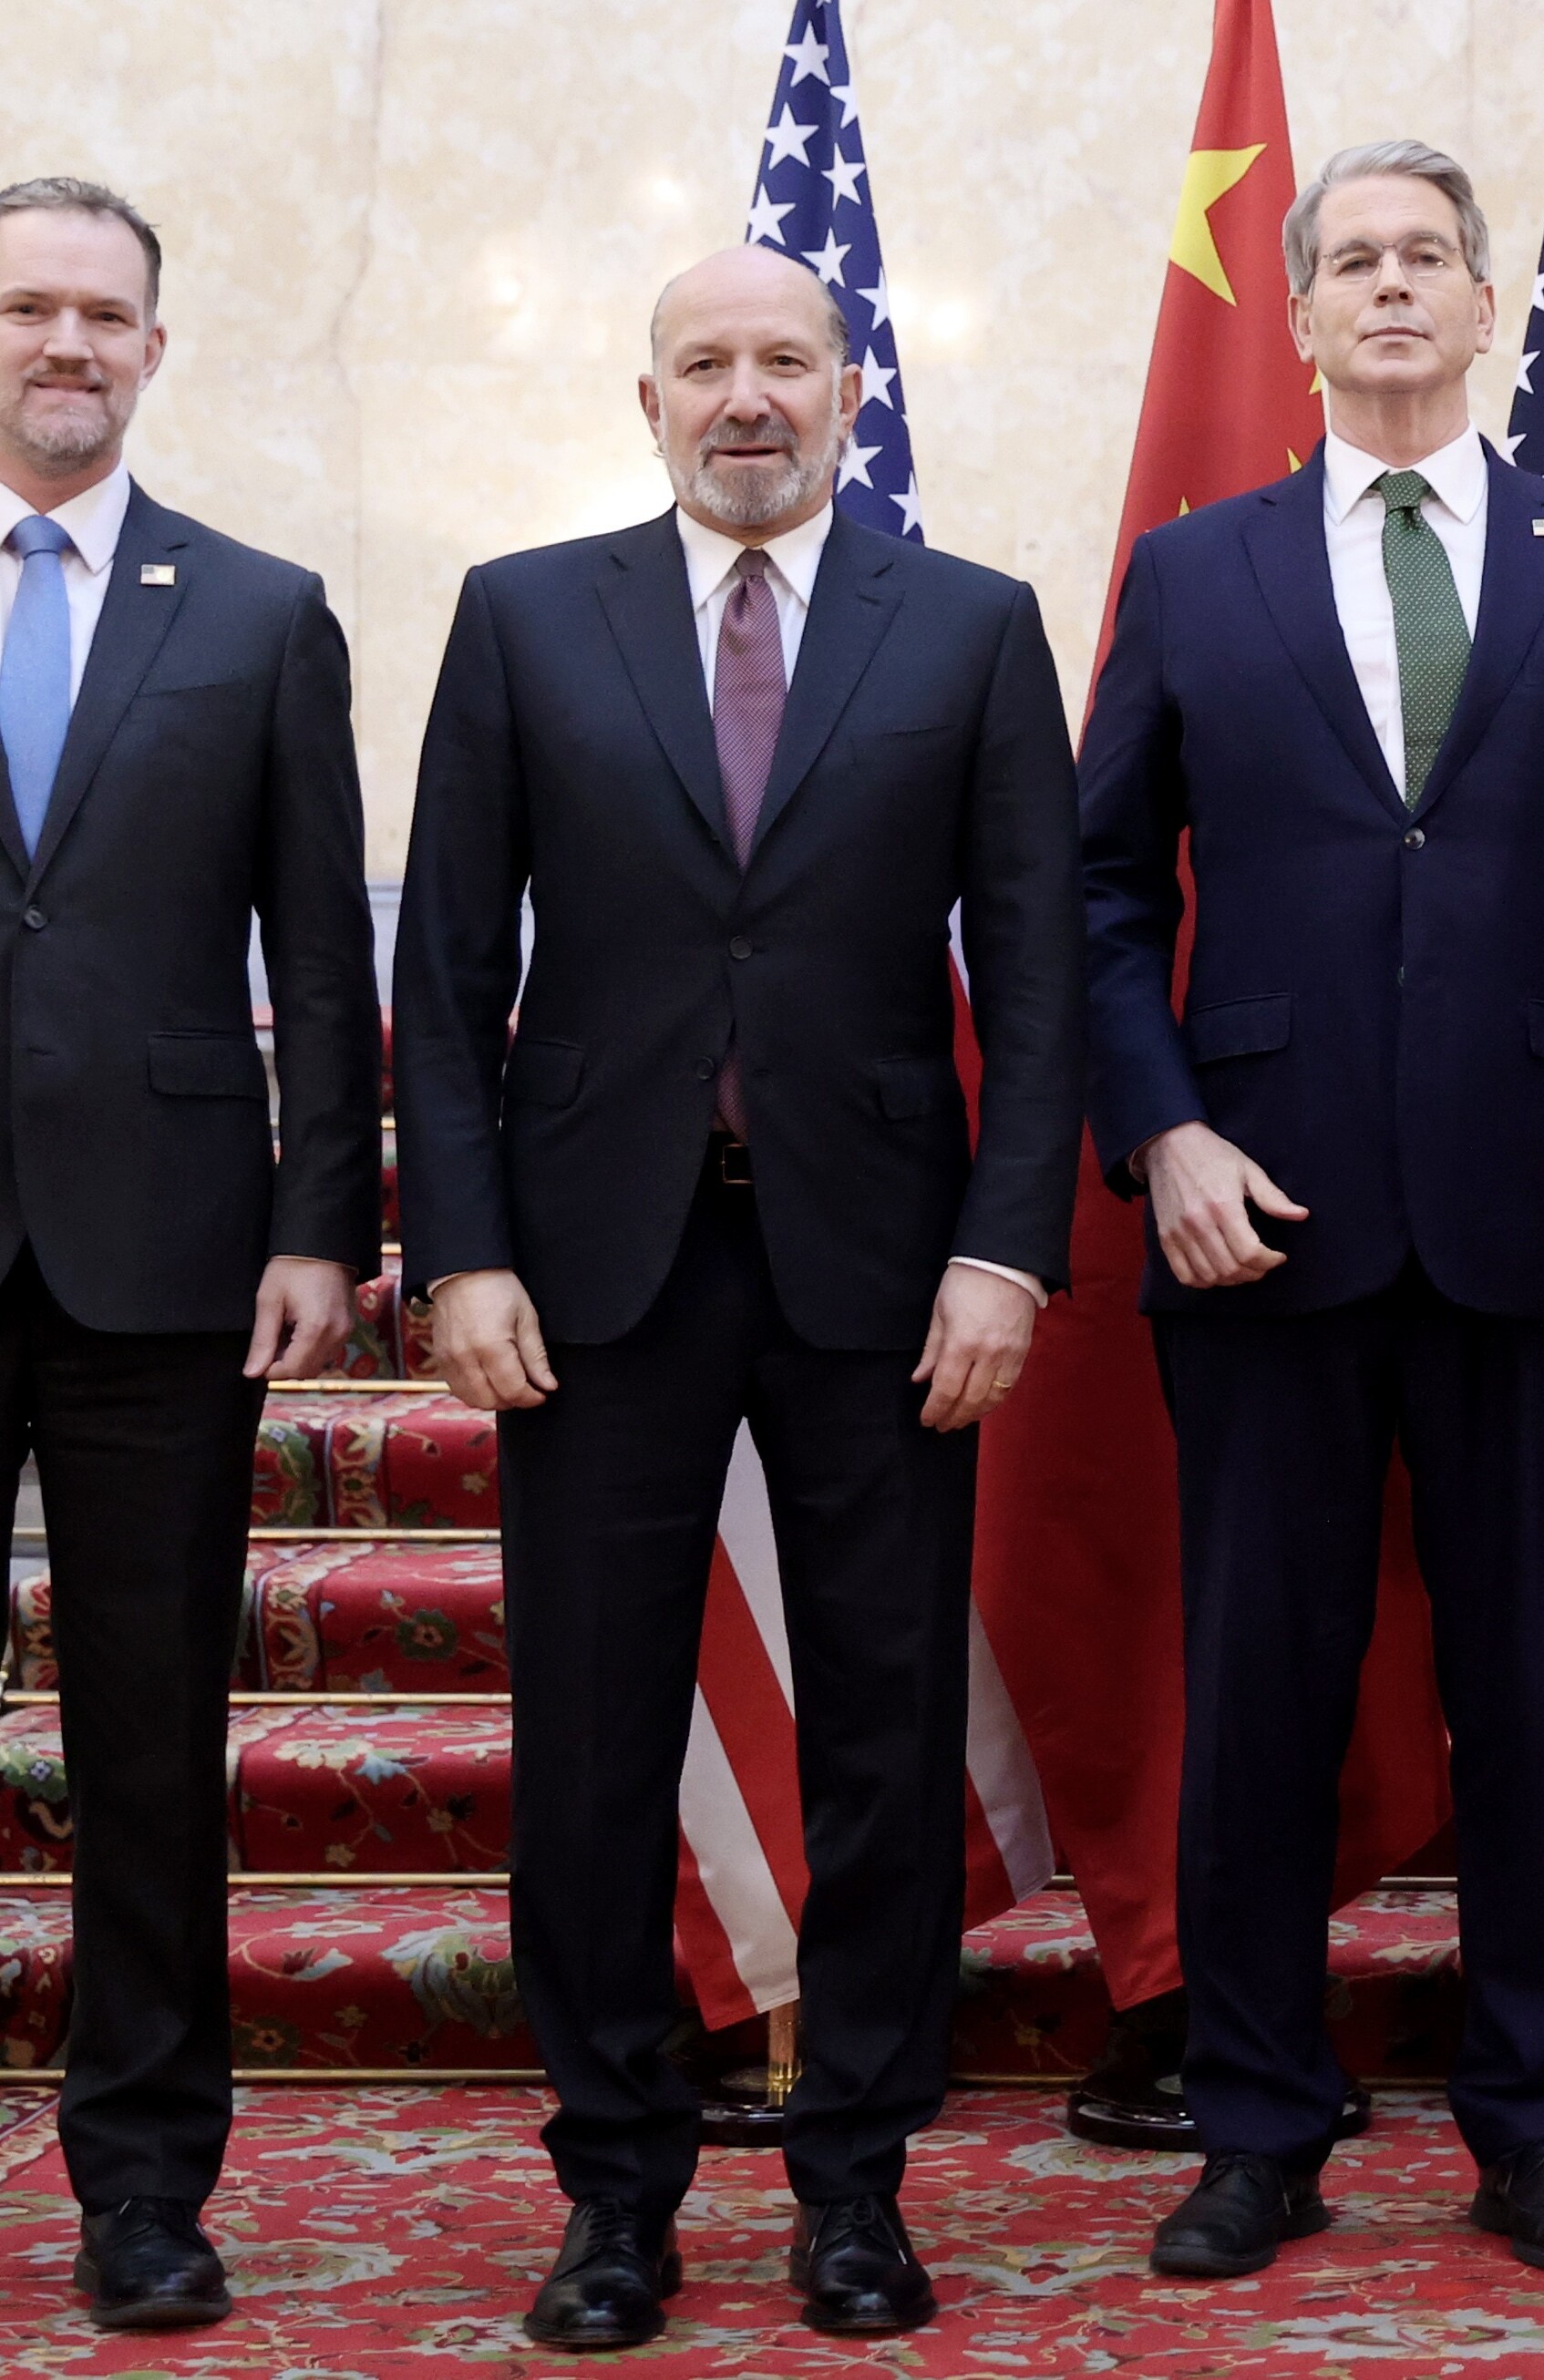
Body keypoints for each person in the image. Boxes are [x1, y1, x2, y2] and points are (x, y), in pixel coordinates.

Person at [393, 246, 1083, 2349]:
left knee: (882, 1736)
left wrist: (1004, 1249)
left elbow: (1038, 970)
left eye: (786, 359)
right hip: (598, 1271)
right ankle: (615, 2193)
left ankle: (856, 2184)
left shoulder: (970, 627)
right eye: (706, 363)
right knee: (593, 1745)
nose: (747, 395)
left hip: (884, 1271)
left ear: (850, 393)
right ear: (650, 401)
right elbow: (447, 970)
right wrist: (464, 1248)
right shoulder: (526, 617)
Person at [1075, 139, 1544, 2285]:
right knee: (1265, 1696)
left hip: (1538, 1222)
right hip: (1254, 1221)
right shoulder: (1195, 572)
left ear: (1483, 299)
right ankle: (1258, 2126)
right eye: (1350, 258)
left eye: (1426, 254)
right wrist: (1162, 1135)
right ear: (1298, 315)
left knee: (1528, 1695)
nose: (1390, 286)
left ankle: (1536, 2125)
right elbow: (1095, 894)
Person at [0, 179, 379, 2333]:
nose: (66, 342)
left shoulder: (257, 610)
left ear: (155, 347)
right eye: (28, 307)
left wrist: (325, 1217)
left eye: (103, 313)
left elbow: (323, 953)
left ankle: (145, 2183)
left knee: (148, 1746)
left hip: (165, 1257)